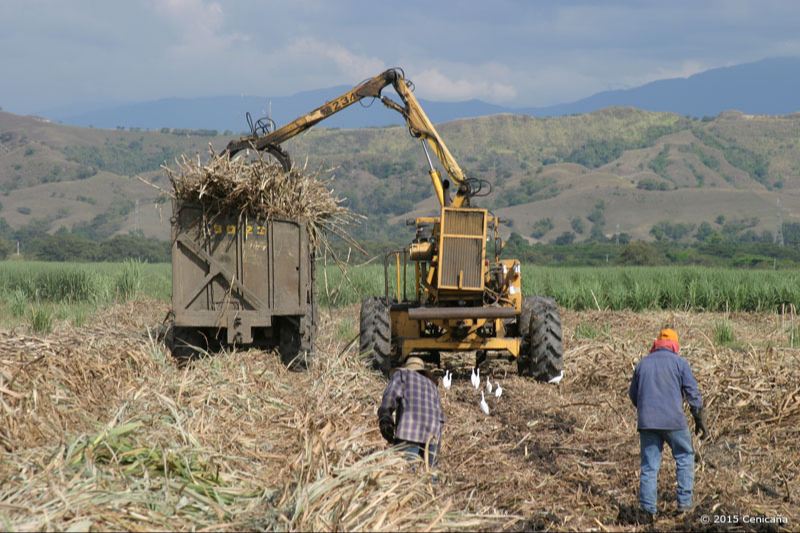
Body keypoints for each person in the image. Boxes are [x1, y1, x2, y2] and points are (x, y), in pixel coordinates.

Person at [629, 328, 708, 517]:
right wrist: (699, 420)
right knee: (685, 456)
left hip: (647, 423)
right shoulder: (680, 363)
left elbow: (633, 395)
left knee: (649, 466)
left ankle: (647, 509)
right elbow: (692, 394)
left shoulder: (642, 364)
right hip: (674, 422)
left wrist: (647, 409)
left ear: (657, 344)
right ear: (675, 345)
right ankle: (684, 503)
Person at [377, 356, 445, 474]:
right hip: (434, 433)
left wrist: (385, 418)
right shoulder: (432, 385)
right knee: (431, 473)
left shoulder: (402, 375)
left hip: (410, 430)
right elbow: (439, 413)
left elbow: (389, 398)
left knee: (408, 474)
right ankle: (432, 491)